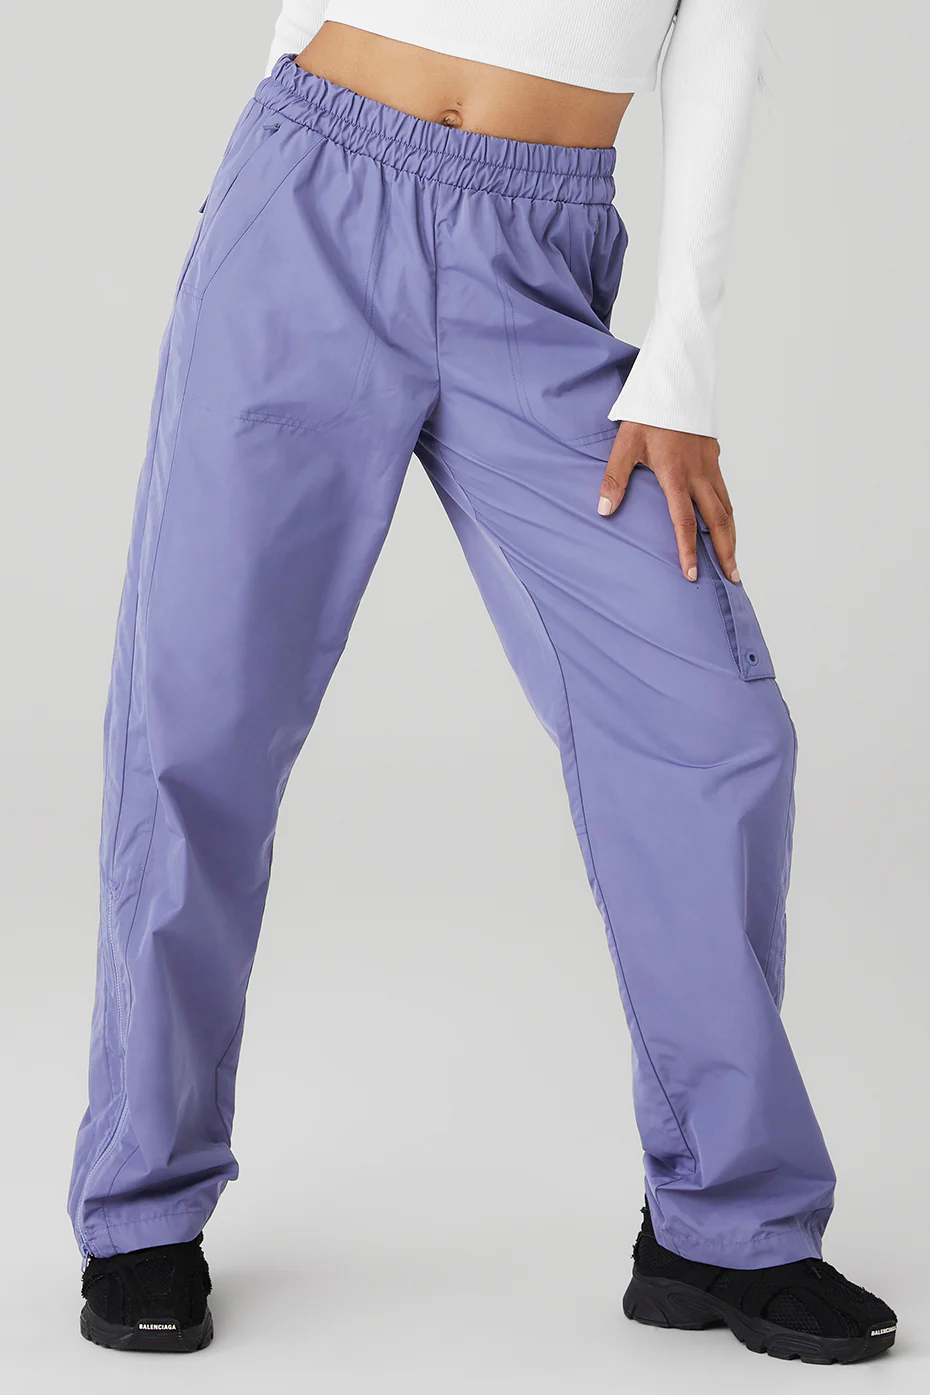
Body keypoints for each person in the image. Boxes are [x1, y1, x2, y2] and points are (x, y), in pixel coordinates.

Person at [69, 0, 897, 1363]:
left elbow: (720, 37)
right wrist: (258, 192)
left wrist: (681, 368)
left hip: (537, 249)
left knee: (710, 723)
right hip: (311, 199)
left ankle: (723, 1219)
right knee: (197, 713)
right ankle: (142, 1202)